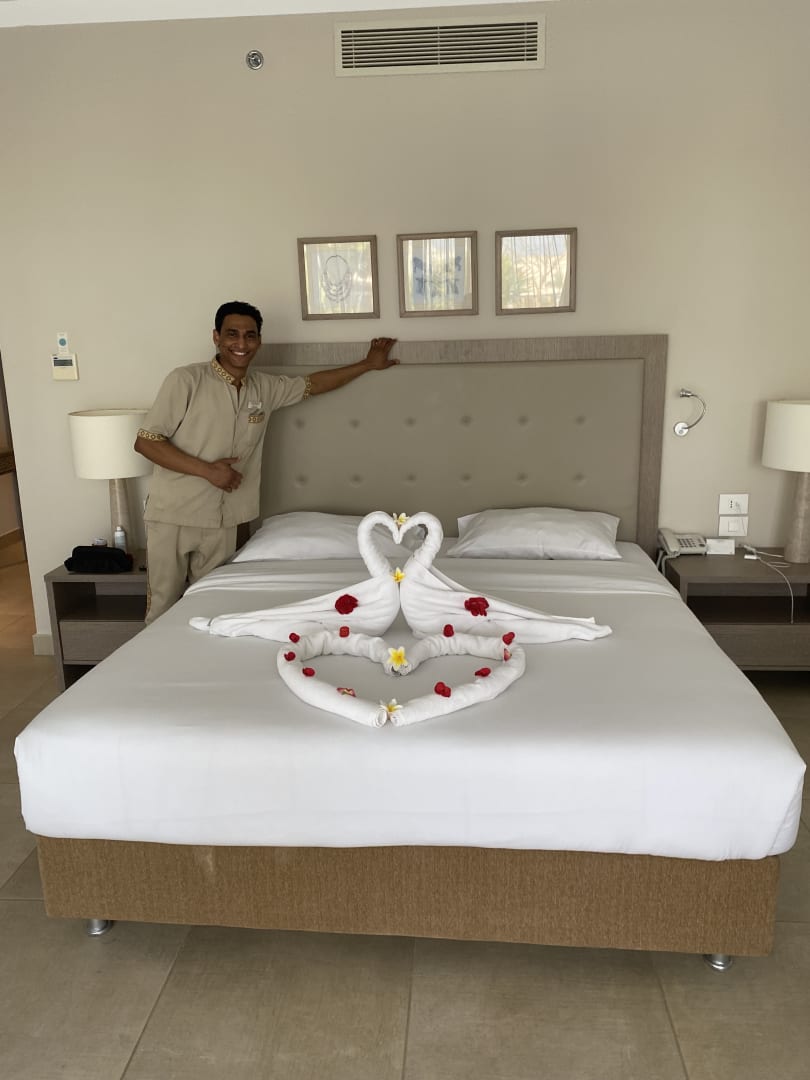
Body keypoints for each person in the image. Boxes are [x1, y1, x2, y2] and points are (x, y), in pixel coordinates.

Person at [134, 300, 397, 624]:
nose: (241, 344)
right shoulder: (186, 380)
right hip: (174, 514)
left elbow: (315, 385)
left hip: (225, 522)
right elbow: (146, 441)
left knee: (213, 609)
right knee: (162, 608)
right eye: (232, 334)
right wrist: (208, 471)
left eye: (250, 335)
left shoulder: (265, 388)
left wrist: (367, 365)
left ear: (259, 341)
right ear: (216, 337)